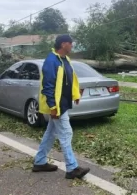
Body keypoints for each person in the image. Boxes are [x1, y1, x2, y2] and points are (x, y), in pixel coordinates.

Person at [32, 34, 90, 179]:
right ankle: (72, 168)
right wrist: (53, 106)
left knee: (51, 133)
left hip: (63, 103)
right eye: (71, 43)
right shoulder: (51, 61)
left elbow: (71, 79)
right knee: (66, 133)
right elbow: (48, 86)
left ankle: (40, 162)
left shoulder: (65, 60)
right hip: (57, 105)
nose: (72, 46)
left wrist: (75, 95)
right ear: (64, 44)